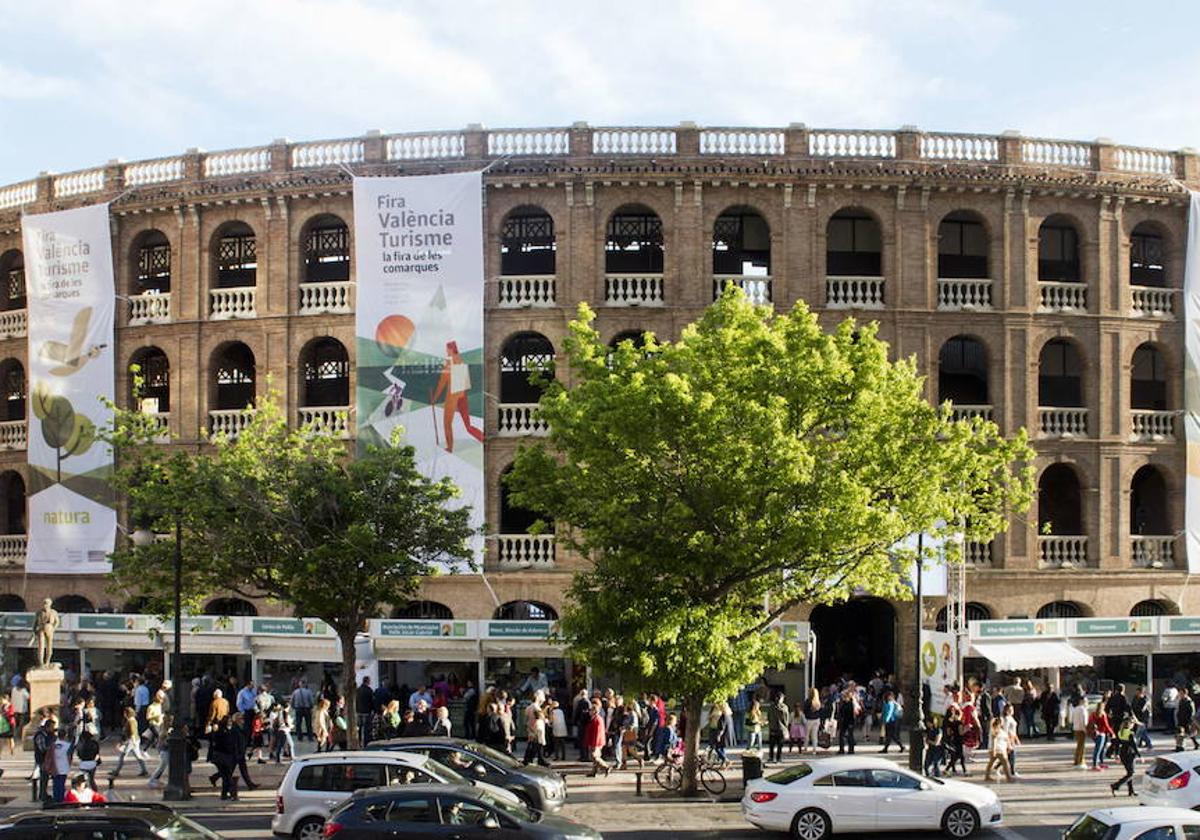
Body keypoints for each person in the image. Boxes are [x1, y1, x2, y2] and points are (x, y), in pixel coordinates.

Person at [431, 340, 484, 453]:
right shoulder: (461, 360)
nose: (446, 351)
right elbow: (465, 383)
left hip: (453, 395)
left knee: (447, 424)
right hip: (462, 395)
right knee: (468, 426)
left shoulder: (449, 361)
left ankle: (450, 448)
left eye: (447, 349)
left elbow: (442, 382)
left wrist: (435, 398)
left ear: (450, 349)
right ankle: (483, 438)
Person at [109, 707, 149, 780]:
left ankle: (117, 771)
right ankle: (144, 770)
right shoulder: (132, 720)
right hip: (134, 740)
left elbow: (132, 732)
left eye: (125, 713)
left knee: (123, 756)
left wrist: (130, 742)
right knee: (138, 756)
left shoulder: (131, 721)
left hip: (131, 741)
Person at [208, 718, 239, 801]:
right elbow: (228, 745)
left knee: (225, 776)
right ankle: (232, 794)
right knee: (227, 776)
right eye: (229, 722)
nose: (230, 724)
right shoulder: (224, 733)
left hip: (221, 757)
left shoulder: (221, 732)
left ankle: (224, 794)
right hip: (224, 757)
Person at [1111, 715, 1140, 797]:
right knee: (1131, 773)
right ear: (1131, 724)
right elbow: (1134, 745)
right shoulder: (1131, 733)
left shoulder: (1120, 732)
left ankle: (1131, 791)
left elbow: (1116, 744)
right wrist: (1140, 755)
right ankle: (1116, 785)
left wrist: (1116, 754)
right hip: (1130, 754)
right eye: (1133, 723)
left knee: (1129, 772)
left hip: (1123, 754)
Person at [584, 699, 610, 777]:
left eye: (591, 710)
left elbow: (598, 733)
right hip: (593, 741)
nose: (589, 712)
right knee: (595, 757)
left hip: (596, 742)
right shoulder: (595, 719)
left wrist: (595, 744)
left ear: (594, 711)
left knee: (594, 756)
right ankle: (594, 772)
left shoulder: (597, 720)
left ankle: (606, 766)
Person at [983, 718, 1012, 783]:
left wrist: (1008, 746)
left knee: (991, 763)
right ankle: (1008, 777)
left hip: (1001, 748)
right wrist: (994, 750)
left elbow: (1006, 739)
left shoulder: (1000, 730)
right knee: (1005, 763)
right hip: (998, 749)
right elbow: (994, 740)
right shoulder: (995, 730)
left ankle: (987, 776)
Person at [1089, 702, 1115, 771]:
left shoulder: (1093, 714)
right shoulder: (1103, 714)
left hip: (1094, 734)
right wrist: (1112, 733)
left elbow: (1090, 722)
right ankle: (1095, 765)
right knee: (1098, 750)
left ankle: (1099, 763)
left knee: (1097, 749)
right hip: (1101, 733)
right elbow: (1106, 725)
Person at [50, 726, 73, 802]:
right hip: (64, 766)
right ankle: (61, 798)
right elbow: (69, 757)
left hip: (55, 766)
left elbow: (51, 755)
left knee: (56, 783)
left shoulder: (53, 745)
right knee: (62, 783)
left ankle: (56, 798)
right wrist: (69, 766)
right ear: (65, 735)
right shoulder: (68, 745)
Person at [1070, 695, 1089, 769]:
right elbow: (1083, 721)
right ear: (1082, 701)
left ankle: (1076, 760)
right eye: (1086, 701)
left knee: (1079, 745)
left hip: (1076, 728)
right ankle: (1080, 761)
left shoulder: (1075, 709)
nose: (1087, 702)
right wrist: (1085, 729)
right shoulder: (1083, 709)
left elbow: (1071, 720)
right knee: (1081, 746)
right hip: (1081, 729)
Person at [1131, 686, 1154, 750]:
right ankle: (1144, 743)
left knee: (1141, 731)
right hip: (1136, 717)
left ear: (1142, 693)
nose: (1137, 694)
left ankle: (1149, 744)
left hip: (1143, 717)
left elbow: (1142, 709)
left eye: (1139, 693)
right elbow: (1132, 706)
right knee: (1141, 731)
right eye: (1137, 692)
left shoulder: (1145, 699)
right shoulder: (1135, 698)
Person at [836, 689, 857, 755]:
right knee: (842, 735)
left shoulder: (851, 704)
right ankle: (842, 749)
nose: (843, 697)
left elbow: (851, 714)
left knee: (849, 736)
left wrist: (851, 722)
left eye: (844, 696)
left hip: (849, 721)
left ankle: (851, 749)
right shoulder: (844, 703)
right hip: (844, 721)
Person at [801, 688, 822, 754]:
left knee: (807, 735)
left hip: (809, 719)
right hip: (817, 719)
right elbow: (820, 711)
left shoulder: (808, 701)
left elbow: (804, 710)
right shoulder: (818, 702)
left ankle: (805, 748)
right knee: (814, 735)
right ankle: (814, 749)